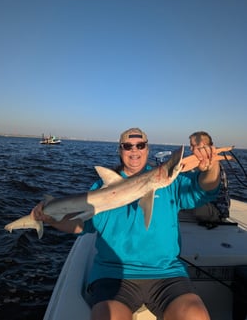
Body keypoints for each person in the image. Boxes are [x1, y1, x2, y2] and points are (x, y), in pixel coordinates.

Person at [32, 127, 221, 320]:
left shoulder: (171, 182)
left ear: (147, 149)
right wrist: (50, 220)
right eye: (127, 146)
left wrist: (211, 165)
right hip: (114, 274)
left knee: (196, 315)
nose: (134, 150)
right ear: (119, 150)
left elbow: (204, 188)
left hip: (165, 271)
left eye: (140, 145)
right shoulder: (100, 188)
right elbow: (82, 225)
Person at [189, 131, 230, 224]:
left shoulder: (211, 164)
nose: (190, 148)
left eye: (192, 145)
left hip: (215, 210)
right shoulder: (201, 163)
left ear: (202, 145)